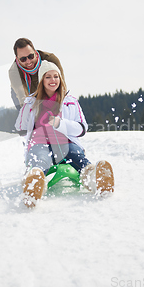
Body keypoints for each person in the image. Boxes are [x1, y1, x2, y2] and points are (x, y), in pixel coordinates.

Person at [14, 60, 114, 208]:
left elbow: (81, 128)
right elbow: (20, 128)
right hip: (39, 143)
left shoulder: (71, 102)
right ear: (42, 80)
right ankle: (34, 182)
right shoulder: (31, 103)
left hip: (65, 142)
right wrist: (26, 111)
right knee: (41, 160)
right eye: (48, 77)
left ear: (60, 79)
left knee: (77, 157)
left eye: (56, 76)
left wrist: (60, 124)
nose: (53, 80)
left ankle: (95, 179)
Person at [9, 38, 65, 110]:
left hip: (46, 87)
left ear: (35, 52)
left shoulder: (50, 59)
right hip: (26, 92)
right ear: (17, 59)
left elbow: (61, 85)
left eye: (30, 56)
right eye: (23, 59)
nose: (28, 61)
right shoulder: (14, 71)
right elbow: (22, 96)